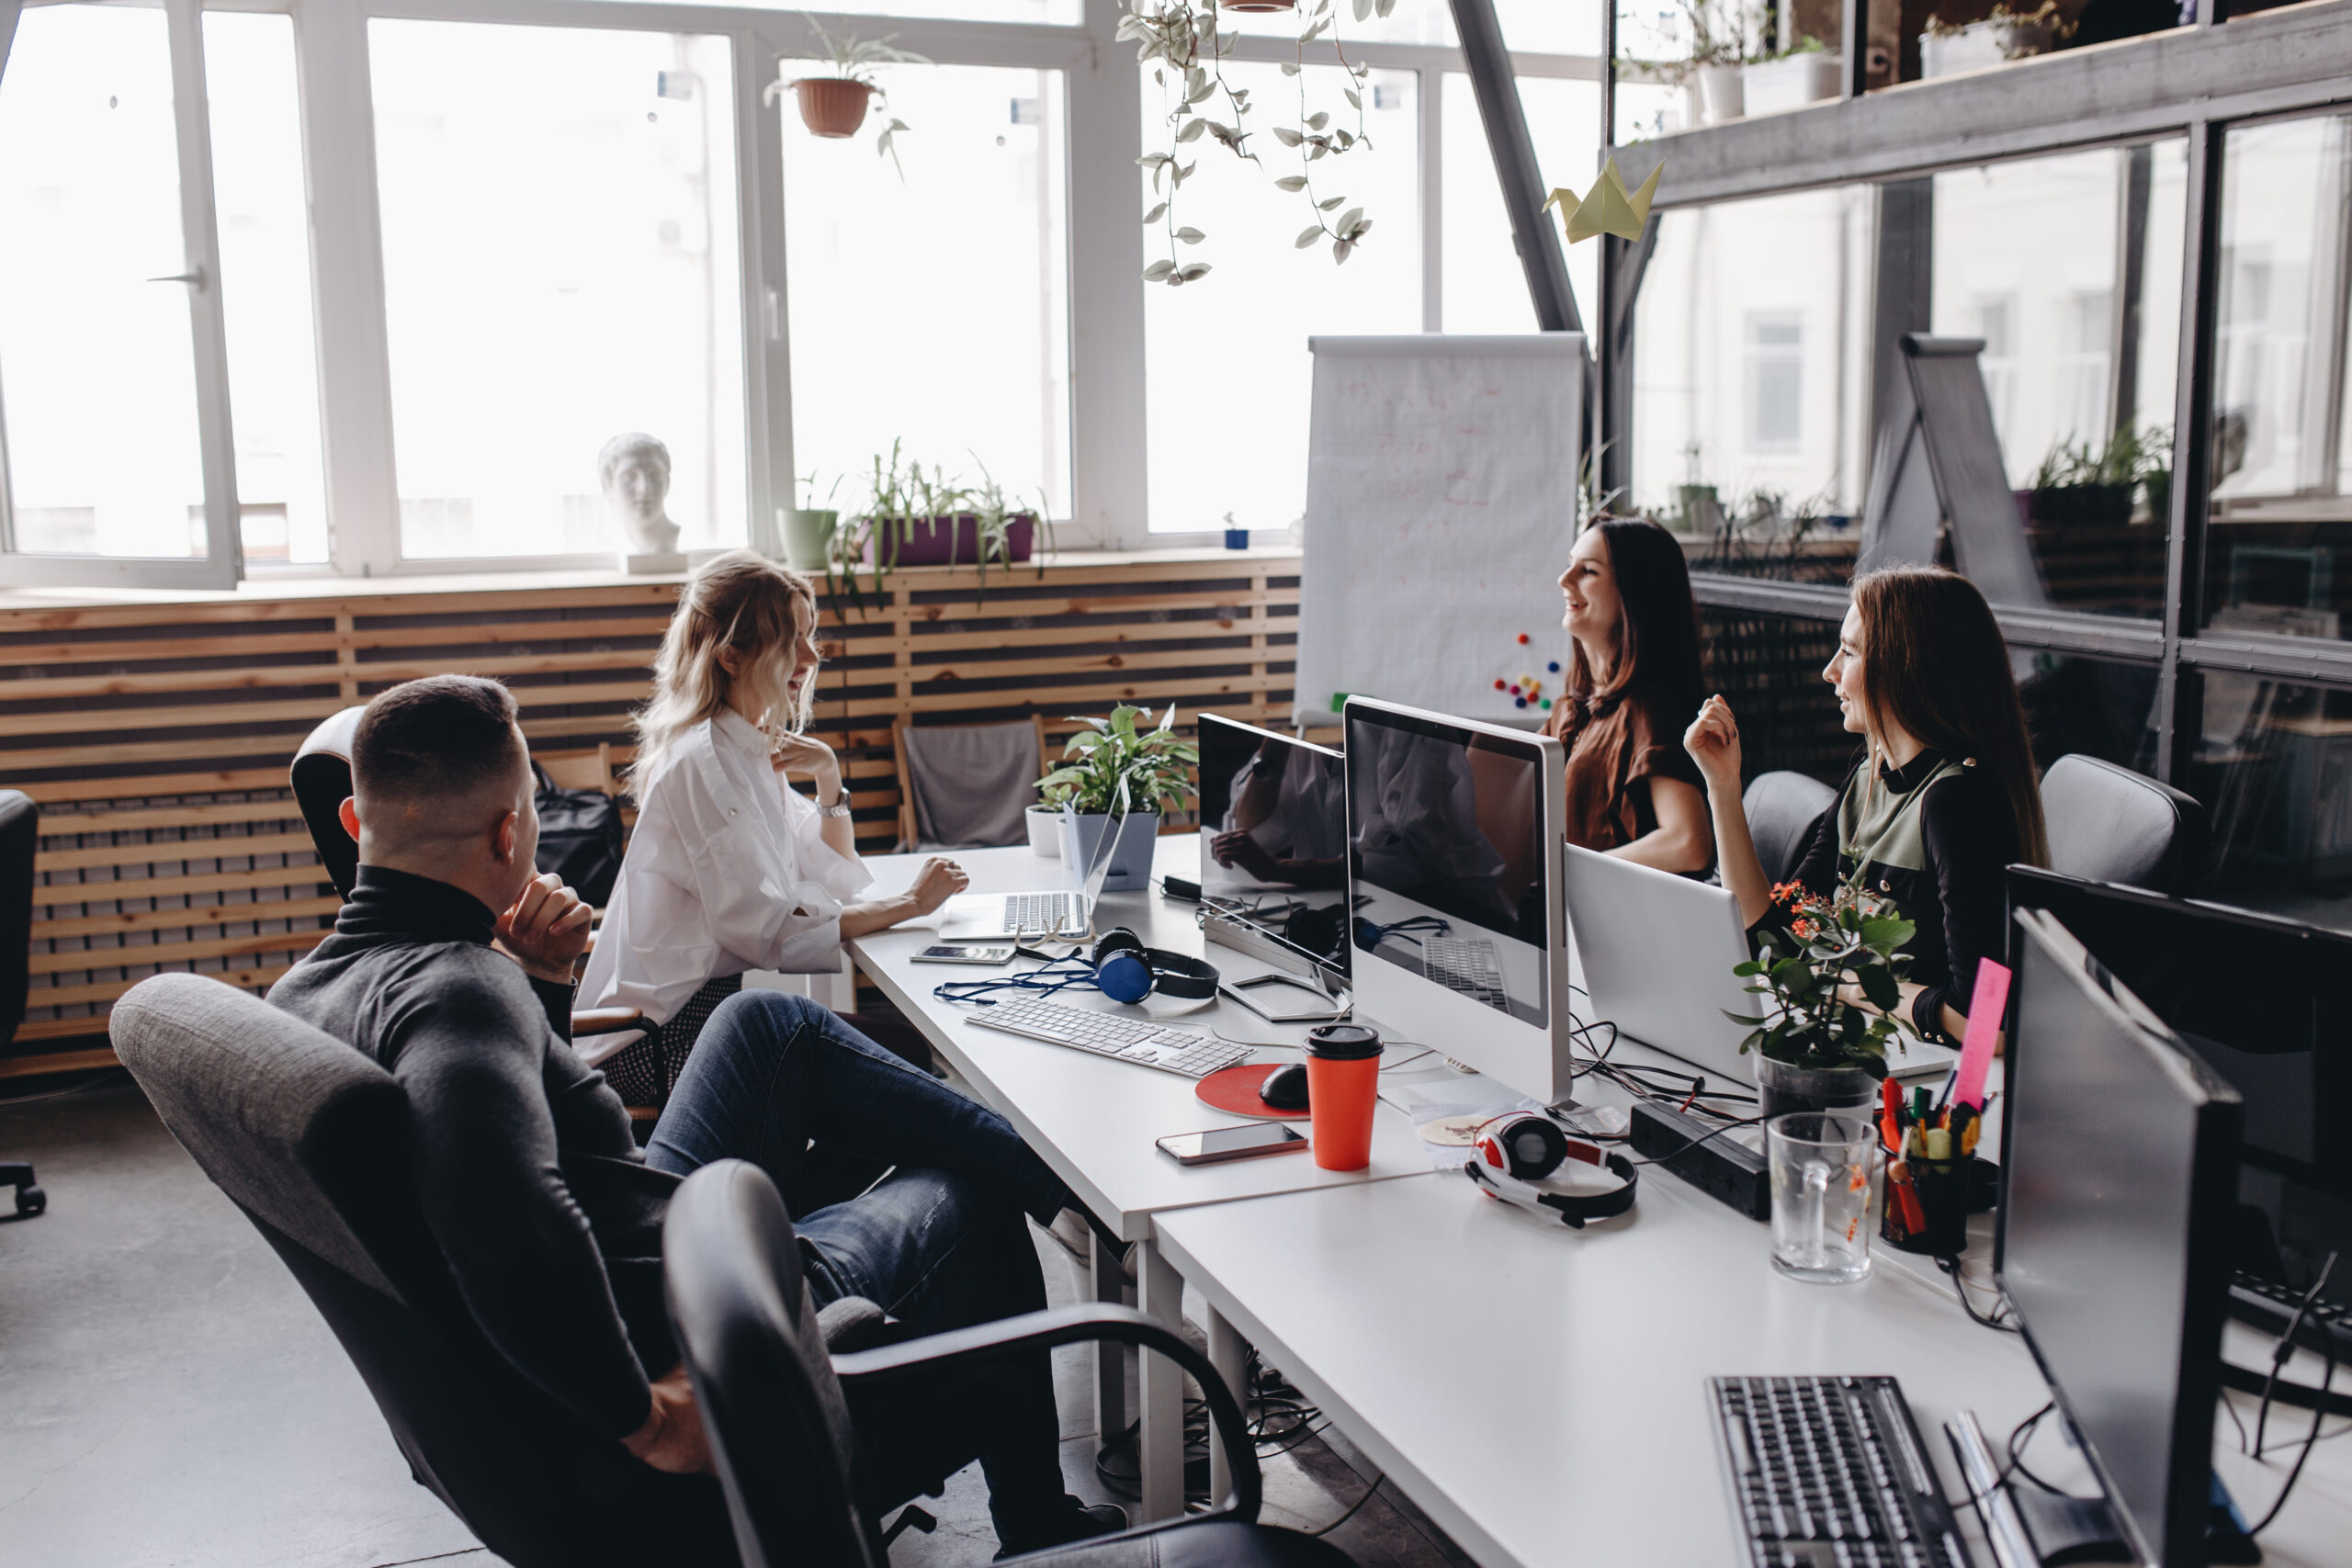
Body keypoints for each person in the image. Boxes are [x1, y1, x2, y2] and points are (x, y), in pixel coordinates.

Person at [268, 675, 1123, 1552]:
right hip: (693, 1323)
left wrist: (539, 984)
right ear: (508, 830)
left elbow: (517, 1123)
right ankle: (1039, 1511)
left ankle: (1059, 1185)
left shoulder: (305, 994)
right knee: (964, 1193)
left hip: (635, 1238)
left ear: (355, 825)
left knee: (760, 1021)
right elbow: (501, 1227)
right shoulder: (459, 990)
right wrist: (643, 1417)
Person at [580, 551, 967, 1103]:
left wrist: (830, 778)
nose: (811, 657)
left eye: (811, 637)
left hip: (707, 1017)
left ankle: (804, 1184)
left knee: (903, 1056)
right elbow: (774, 930)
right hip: (654, 1042)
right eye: (792, 641)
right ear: (731, 657)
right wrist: (910, 903)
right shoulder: (704, 764)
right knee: (906, 1063)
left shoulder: (743, 747)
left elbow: (827, 879)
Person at [1683, 566, 2050, 1047]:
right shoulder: (1867, 779)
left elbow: (1988, 1025)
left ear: (1906, 667)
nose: (1829, 670)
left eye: (1850, 652)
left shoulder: (1956, 803)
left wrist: (1861, 990)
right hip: (1863, 1040)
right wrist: (1723, 786)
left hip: (1925, 1071)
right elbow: (1773, 938)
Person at [1544, 517, 1713, 873]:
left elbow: (1688, 843)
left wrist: (1566, 873)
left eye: (1588, 571)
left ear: (1635, 593)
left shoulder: (1649, 708)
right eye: (1569, 565)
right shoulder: (1572, 706)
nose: (1564, 580)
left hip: (1623, 916)